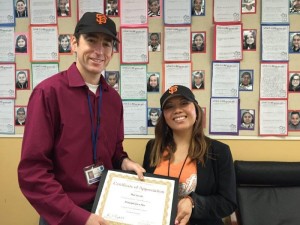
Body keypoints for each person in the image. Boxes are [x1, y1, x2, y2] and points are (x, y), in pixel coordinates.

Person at [18, 12, 145, 225]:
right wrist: (78, 217)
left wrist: (124, 162)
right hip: (63, 214)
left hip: (103, 212)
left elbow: (114, 151)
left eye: (106, 44)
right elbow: (33, 172)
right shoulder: (48, 93)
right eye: (92, 40)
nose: (99, 51)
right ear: (74, 43)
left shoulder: (113, 99)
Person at [143, 85, 237, 225]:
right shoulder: (153, 147)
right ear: (164, 116)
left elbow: (227, 203)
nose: (177, 110)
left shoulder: (218, 151)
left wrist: (193, 202)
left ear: (196, 109)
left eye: (184, 103)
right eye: (169, 107)